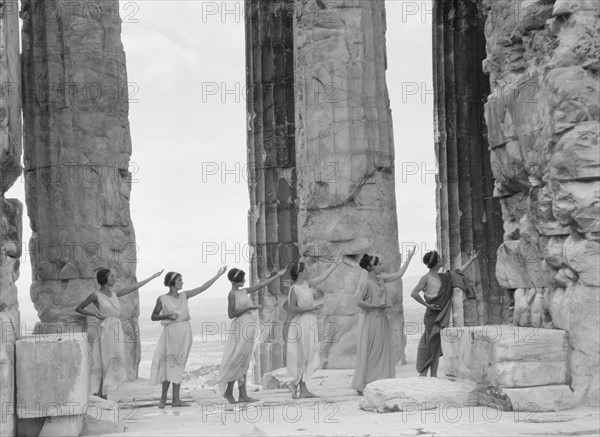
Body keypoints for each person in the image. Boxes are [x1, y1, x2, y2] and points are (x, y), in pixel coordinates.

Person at [76, 268, 163, 399]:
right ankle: (100, 393)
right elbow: (79, 308)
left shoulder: (115, 293)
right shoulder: (96, 295)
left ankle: (104, 391)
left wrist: (152, 277)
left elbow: (134, 287)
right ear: (105, 278)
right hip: (106, 328)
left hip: (117, 329)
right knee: (104, 359)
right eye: (111, 276)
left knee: (116, 359)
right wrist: (93, 313)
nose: (114, 278)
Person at [150, 267, 227, 408]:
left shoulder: (184, 295)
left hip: (184, 332)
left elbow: (203, 287)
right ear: (173, 282)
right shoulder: (162, 299)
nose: (182, 283)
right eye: (180, 280)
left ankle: (175, 399)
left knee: (179, 364)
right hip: (171, 333)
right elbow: (154, 316)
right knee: (168, 364)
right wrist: (166, 316)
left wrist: (217, 275)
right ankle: (163, 399)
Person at [216, 266, 288, 404]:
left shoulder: (244, 291)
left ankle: (243, 394)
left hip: (248, 326)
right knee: (237, 357)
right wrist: (248, 308)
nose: (244, 280)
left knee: (244, 359)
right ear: (236, 280)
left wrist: (277, 275)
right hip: (241, 326)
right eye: (242, 278)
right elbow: (231, 314)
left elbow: (260, 285)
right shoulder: (232, 294)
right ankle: (229, 392)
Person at [351, 248, 416, 395]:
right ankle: (365, 383)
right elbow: (358, 302)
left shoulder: (380, 279)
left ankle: (380, 381)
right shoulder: (366, 284)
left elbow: (399, 274)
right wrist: (375, 306)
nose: (381, 266)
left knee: (383, 352)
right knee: (372, 352)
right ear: (372, 267)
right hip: (372, 320)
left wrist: (409, 258)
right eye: (379, 264)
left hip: (382, 320)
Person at [411, 250, 478, 377]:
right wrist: (427, 304)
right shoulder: (426, 278)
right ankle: (424, 374)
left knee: (436, 347)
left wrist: (471, 260)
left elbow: (458, 272)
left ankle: (433, 376)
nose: (442, 259)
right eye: (440, 258)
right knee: (431, 344)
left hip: (441, 315)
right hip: (432, 316)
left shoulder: (443, 277)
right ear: (435, 262)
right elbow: (414, 293)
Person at [285, 260, 340, 399]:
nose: (308, 271)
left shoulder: (306, 284)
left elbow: (323, 277)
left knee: (309, 353)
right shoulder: (294, 289)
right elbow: (292, 308)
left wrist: (335, 264)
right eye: (306, 269)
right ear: (300, 272)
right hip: (302, 322)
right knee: (303, 354)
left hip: (310, 321)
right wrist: (312, 308)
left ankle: (299, 386)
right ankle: (298, 385)